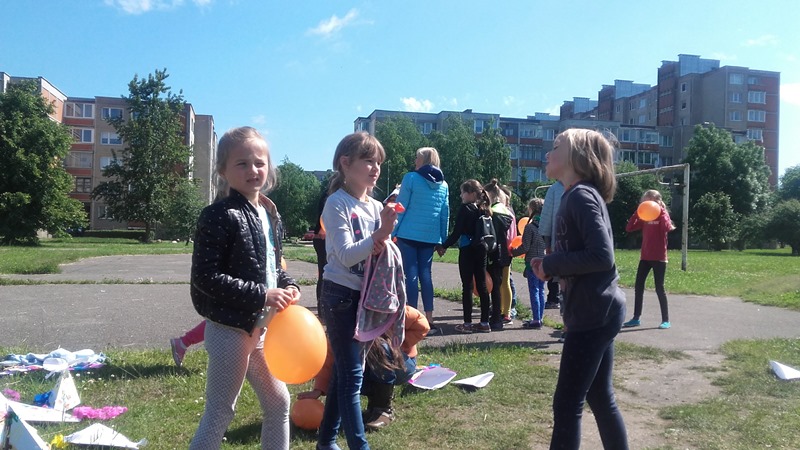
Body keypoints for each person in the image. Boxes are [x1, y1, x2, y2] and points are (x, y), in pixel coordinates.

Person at [188, 126, 301, 450]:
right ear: (223, 170)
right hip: (229, 330)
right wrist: (262, 295)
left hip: (261, 329)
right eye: (242, 163)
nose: (253, 170)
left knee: (279, 403)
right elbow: (205, 277)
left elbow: (272, 267)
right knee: (221, 411)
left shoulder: (268, 213)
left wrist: (289, 285)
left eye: (259, 162)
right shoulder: (218, 215)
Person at [531, 128, 628, 449]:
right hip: (598, 308)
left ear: (578, 158)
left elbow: (602, 256)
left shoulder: (581, 196)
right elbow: (585, 255)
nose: (548, 153)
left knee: (567, 404)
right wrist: (551, 266)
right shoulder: (575, 194)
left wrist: (552, 263)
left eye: (556, 146)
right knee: (599, 396)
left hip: (593, 312)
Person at [317, 132, 397, 450]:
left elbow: (378, 253)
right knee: (352, 376)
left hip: (365, 299)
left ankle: (326, 442)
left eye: (378, 162)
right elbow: (347, 254)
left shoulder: (377, 206)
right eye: (368, 160)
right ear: (345, 164)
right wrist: (380, 234)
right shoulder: (336, 203)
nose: (375, 168)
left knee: (344, 373)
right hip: (340, 296)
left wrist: (386, 237)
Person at [297, 305, 430, 430]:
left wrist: (399, 345)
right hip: (370, 367)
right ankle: (373, 405)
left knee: (381, 348)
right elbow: (330, 354)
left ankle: (383, 410)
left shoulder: (387, 306)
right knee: (345, 366)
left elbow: (422, 324)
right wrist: (319, 389)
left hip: (401, 366)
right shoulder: (345, 318)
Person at [392, 147, 449, 336]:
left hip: (408, 234)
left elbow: (401, 207)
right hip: (430, 237)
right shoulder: (444, 185)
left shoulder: (410, 178)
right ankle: (429, 320)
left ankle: (412, 319)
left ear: (423, 160)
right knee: (426, 275)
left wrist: (392, 232)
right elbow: (445, 214)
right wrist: (442, 240)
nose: (415, 160)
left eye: (417, 157)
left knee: (410, 275)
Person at [436, 180, 494, 334]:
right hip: (482, 248)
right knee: (482, 285)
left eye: (463, 192)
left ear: (472, 194)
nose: (461, 195)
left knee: (467, 286)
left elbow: (457, 232)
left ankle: (467, 323)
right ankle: (484, 322)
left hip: (467, 249)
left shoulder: (465, 209)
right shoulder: (484, 209)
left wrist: (443, 246)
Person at [623, 190, 676, 330]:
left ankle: (666, 320)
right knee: (638, 287)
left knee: (659, 288)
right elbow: (629, 228)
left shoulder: (662, 215)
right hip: (645, 257)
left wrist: (662, 211)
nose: (644, 203)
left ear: (655, 201)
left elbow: (667, 227)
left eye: (647, 201)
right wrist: (637, 213)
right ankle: (636, 318)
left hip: (659, 258)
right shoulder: (646, 216)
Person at [483, 179, 515, 330]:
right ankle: (504, 313)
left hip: (495, 251)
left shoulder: (493, 212)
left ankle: (497, 314)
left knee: (494, 285)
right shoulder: (507, 212)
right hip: (507, 251)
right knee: (504, 283)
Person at [511, 198, 546, 329]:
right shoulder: (546, 226)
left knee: (534, 290)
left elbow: (525, 247)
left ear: (531, 210)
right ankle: (540, 318)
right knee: (541, 290)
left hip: (532, 263)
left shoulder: (530, 227)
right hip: (544, 261)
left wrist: (513, 252)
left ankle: (536, 320)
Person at [540, 180, 564, 310]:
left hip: (558, 241)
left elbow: (546, 219)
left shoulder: (554, 189)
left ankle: (554, 299)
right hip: (576, 246)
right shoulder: (585, 185)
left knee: (555, 273)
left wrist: (547, 243)